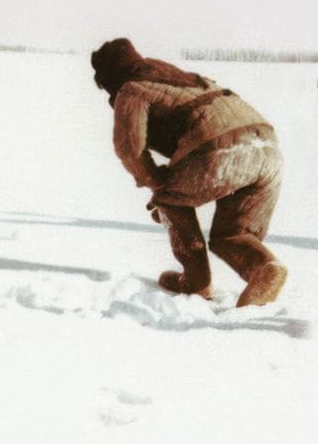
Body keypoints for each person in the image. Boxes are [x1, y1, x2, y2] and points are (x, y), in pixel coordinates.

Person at [90, 38, 287, 306]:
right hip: (268, 149)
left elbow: (129, 148)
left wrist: (157, 185)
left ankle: (196, 283)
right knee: (233, 233)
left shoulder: (131, 88)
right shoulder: (187, 79)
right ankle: (266, 268)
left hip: (221, 148)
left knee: (169, 202)